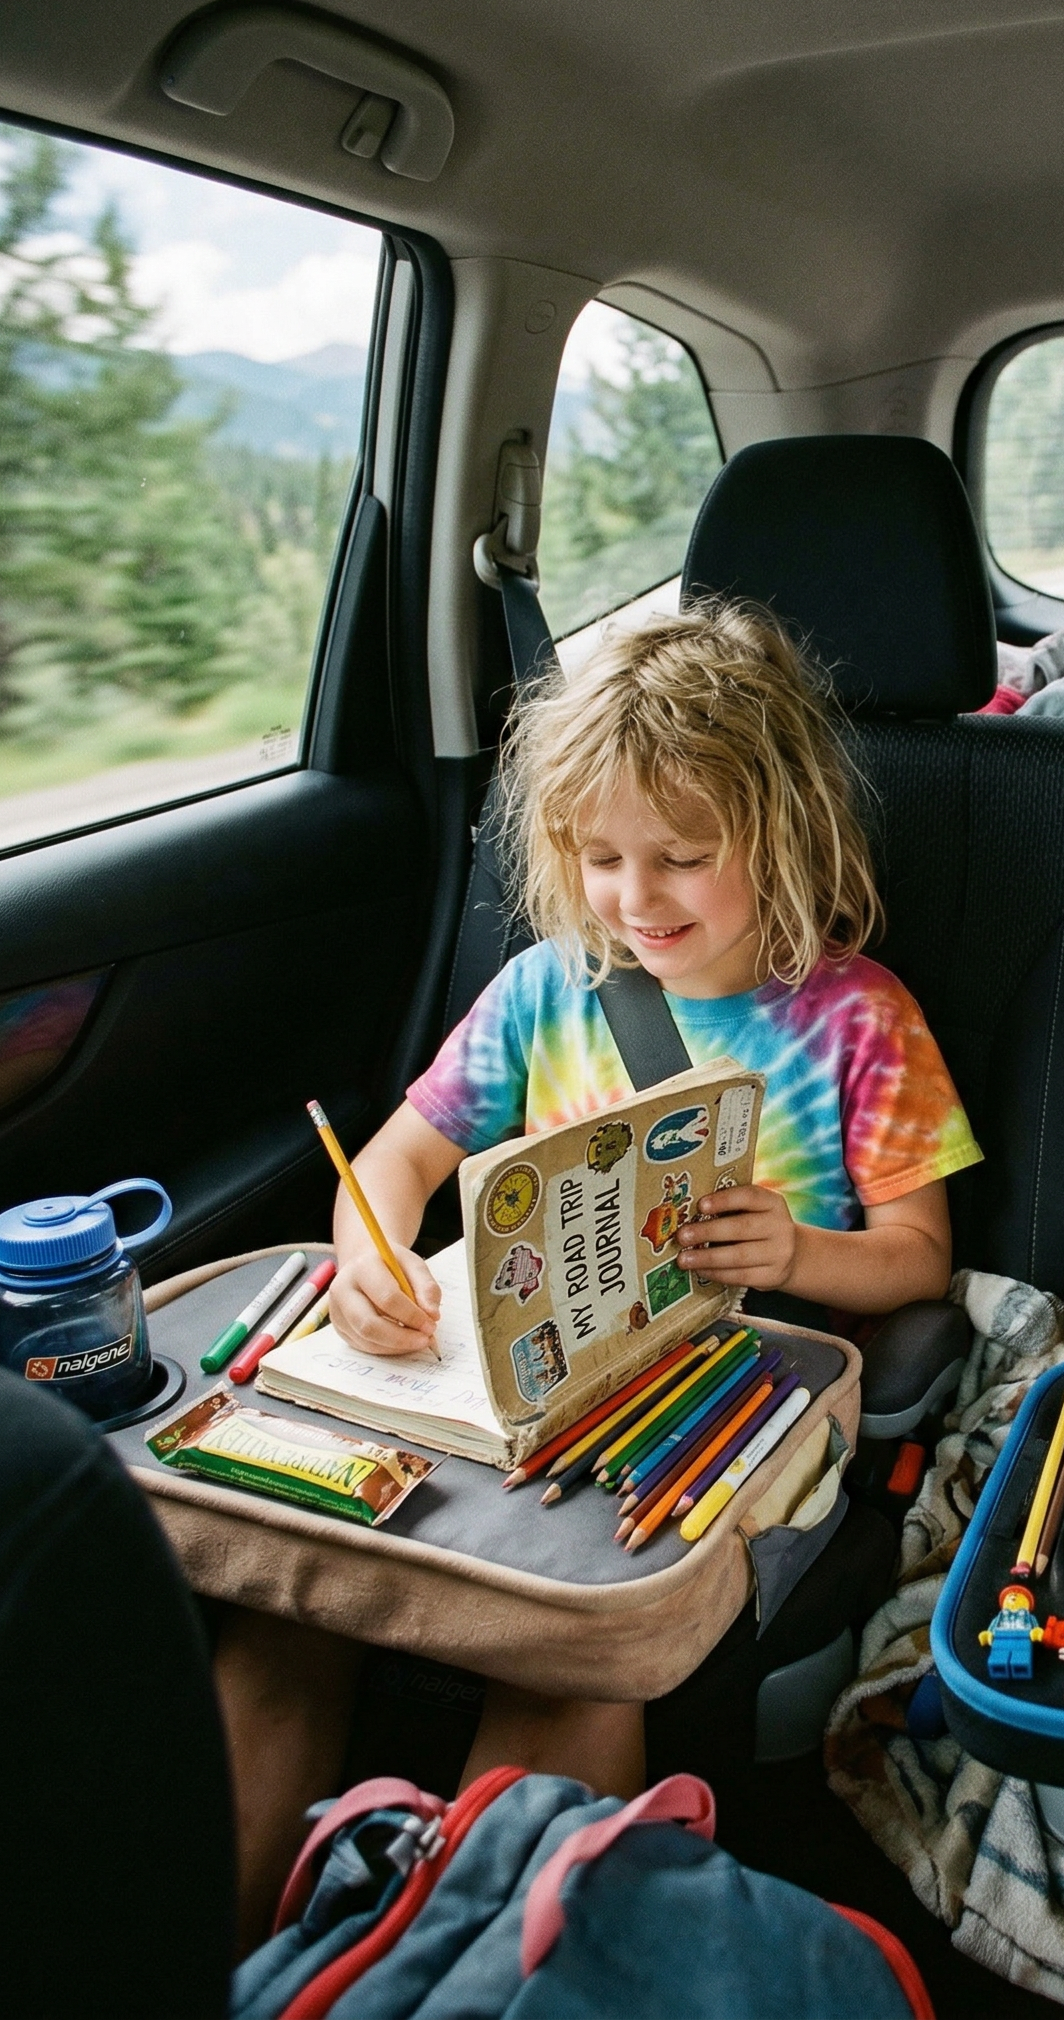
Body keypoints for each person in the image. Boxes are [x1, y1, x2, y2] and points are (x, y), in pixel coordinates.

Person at [215, 602, 982, 1942]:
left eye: (683, 857)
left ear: (785, 830)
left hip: (725, 1412)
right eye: (601, 858)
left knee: (572, 1656)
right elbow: (391, 1165)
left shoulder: (860, 1019)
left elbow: (923, 1263)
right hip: (496, 1393)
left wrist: (800, 1250)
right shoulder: (545, 989)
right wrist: (373, 1261)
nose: (636, 900)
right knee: (286, 1607)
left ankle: (479, 1964)